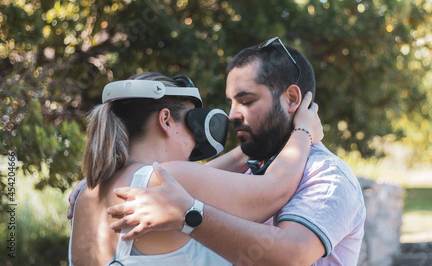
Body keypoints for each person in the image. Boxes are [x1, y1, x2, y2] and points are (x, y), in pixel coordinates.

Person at [105, 38, 367, 265]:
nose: (231, 115)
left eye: (246, 100)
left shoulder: (327, 174)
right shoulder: (253, 172)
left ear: (291, 99)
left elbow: (293, 255)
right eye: (231, 102)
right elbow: (186, 183)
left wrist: (189, 216)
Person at [68, 71, 323, 265]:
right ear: (166, 120)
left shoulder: (86, 194)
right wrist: (303, 131)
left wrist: (256, 146)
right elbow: (275, 190)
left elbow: (204, 178)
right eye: (192, 125)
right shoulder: (170, 178)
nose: (195, 144)